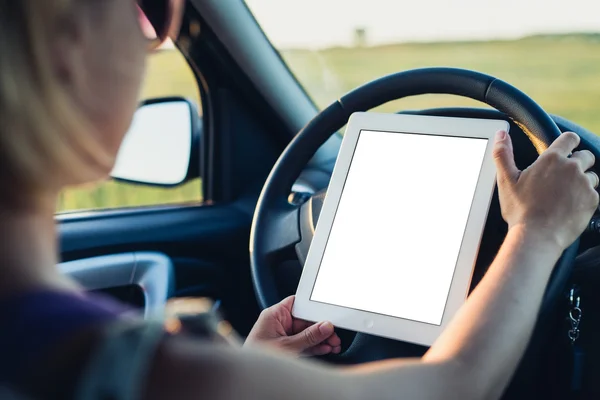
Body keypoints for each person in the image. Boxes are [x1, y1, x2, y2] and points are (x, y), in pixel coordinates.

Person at [0, 1, 598, 399]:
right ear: (63, 47)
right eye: (150, 10)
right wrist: (537, 230)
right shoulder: (120, 365)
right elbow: (454, 387)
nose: (151, 43)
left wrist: (250, 366)